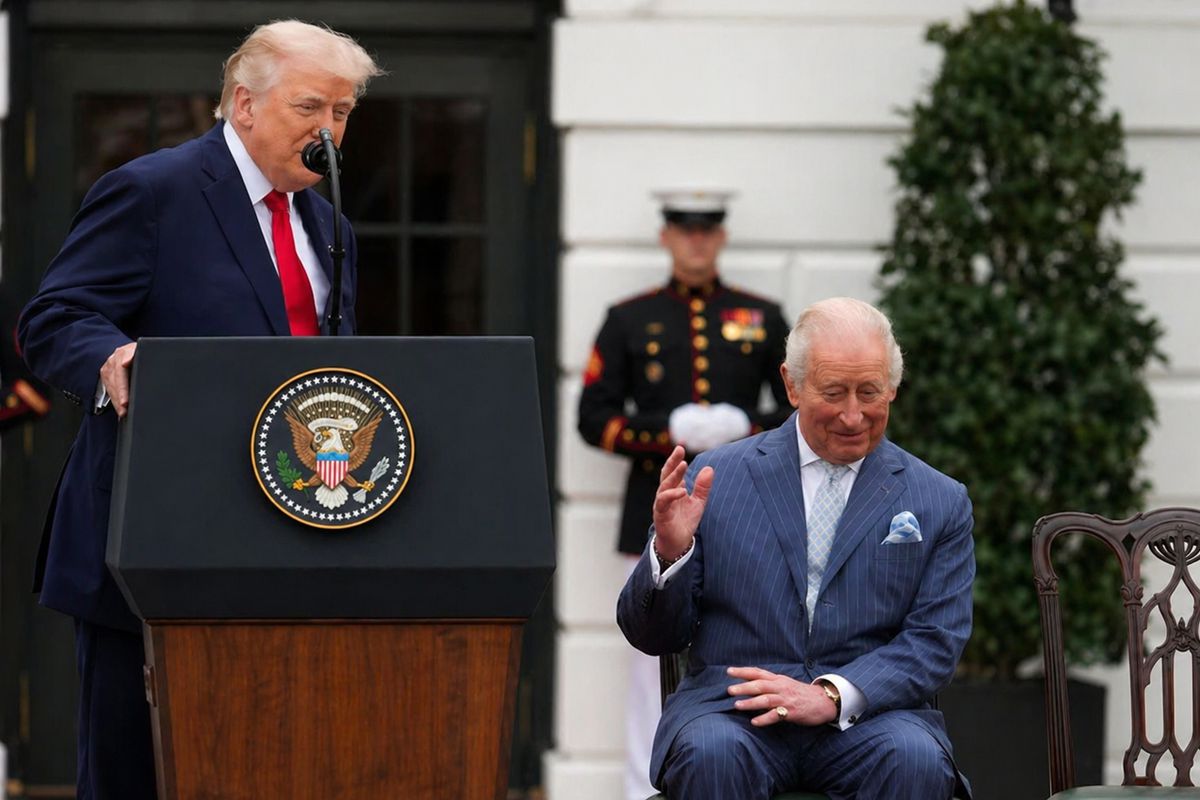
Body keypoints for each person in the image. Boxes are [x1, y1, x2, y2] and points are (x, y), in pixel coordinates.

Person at [18, 20, 381, 799]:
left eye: (342, 113)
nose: (328, 131)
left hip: (285, 542)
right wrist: (110, 357)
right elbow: (54, 318)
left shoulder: (330, 226)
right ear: (244, 104)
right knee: (134, 772)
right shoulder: (154, 191)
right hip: (152, 539)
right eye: (309, 107)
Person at [617, 297, 975, 800]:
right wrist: (671, 554)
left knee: (914, 760)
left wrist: (832, 695)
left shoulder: (939, 499)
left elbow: (935, 640)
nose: (853, 415)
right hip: (734, 712)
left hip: (870, 719)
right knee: (710, 754)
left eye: (870, 392)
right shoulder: (716, 479)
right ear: (792, 385)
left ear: (892, 387)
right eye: (834, 392)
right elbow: (652, 635)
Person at [577, 189, 791, 800]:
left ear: (720, 237)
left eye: (707, 231)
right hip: (656, 510)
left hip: (748, 508)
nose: (696, 241)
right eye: (684, 230)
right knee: (650, 660)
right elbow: (594, 418)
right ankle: (640, 791)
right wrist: (667, 430)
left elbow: (799, 405)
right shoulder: (629, 318)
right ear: (666, 237)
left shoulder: (762, 315)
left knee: (748, 643)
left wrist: (745, 426)